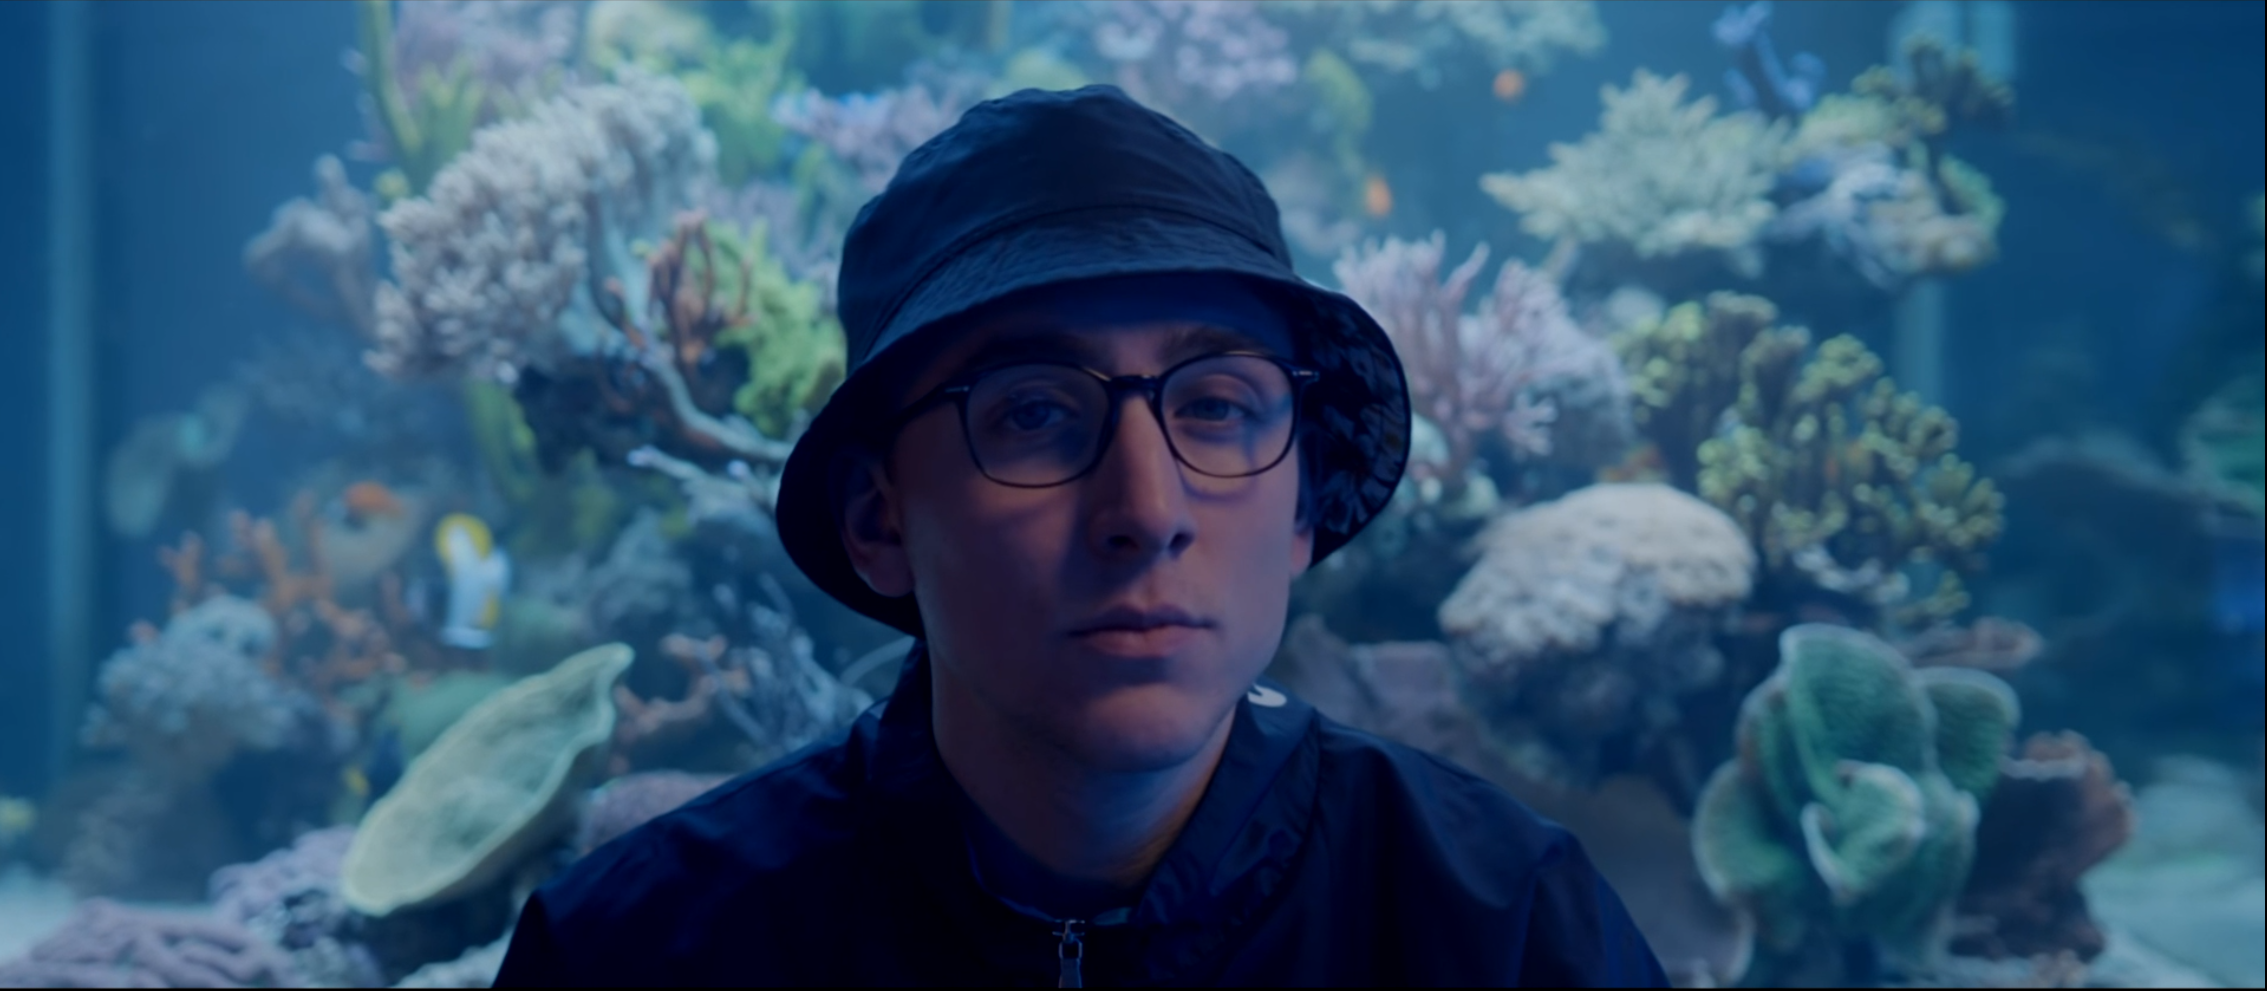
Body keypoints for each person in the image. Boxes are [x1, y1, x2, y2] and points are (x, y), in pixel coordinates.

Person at [495, 85, 1667, 987]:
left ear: (1306, 500)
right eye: (1034, 414)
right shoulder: (637, 953)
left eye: (1214, 404)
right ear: (878, 520)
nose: (1146, 512)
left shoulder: (1505, 930)